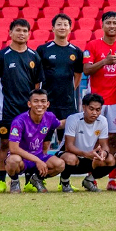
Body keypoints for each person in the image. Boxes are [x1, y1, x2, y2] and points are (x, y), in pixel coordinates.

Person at [0, 18, 43, 194]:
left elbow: (37, 85)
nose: (22, 34)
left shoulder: (34, 56)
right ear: (10, 33)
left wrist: (34, 108)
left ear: (29, 34)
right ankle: (1, 181)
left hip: (27, 111)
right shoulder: (1, 56)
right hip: (7, 109)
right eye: (18, 30)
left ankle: (29, 181)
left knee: (29, 145)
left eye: (25, 31)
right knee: (5, 144)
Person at [83, 11, 116, 189]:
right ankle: (90, 176)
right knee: (95, 140)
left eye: (115, 23)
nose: (112, 26)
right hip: (97, 102)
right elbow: (86, 70)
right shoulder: (92, 45)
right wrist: (104, 61)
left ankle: (111, 179)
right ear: (102, 25)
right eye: (108, 22)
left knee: (114, 139)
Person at [36, 13, 83, 147]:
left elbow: (78, 74)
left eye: (65, 25)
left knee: (67, 143)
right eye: (59, 24)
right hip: (47, 102)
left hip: (67, 103)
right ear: (53, 28)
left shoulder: (76, 51)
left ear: (70, 28)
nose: (62, 27)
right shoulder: (43, 50)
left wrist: (69, 90)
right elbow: (37, 76)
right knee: (44, 142)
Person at [3, 89, 63, 193]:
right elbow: (13, 149)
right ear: (29, 104)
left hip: (39, 155)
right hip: (21, 158)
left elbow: (60, 124)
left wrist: (79, 118)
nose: (40, 104)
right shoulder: (19, 121)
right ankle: (14, 181)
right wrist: (37, 161)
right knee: (13, 161)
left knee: (60, 164)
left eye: (43, 101)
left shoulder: (50, 117)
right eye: (36, 101)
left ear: (48, 104)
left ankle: (36, 179)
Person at [57, 93, 111, 193]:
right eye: (91, 109)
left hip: (89, 156)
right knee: (70, 158)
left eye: (98, 110)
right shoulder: (73, 119)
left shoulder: (103, 121)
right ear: (84, 107)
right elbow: (68, 147)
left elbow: (105, 145)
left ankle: (89, 181)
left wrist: (104, 153)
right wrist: (86, 154)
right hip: (69, 155)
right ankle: (65, 182)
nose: (94, 113)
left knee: (111, 159)